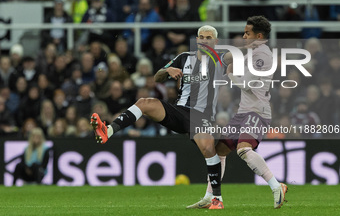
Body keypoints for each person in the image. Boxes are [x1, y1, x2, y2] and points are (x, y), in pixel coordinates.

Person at [90, 24, 260, 209]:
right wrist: (167, 71)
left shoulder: (219, 59)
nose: (204, 40)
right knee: (145, 102)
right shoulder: (184, 58)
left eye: (208, 38)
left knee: (208, 148)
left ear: (216, 42)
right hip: (179, 112)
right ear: (196, 40)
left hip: (201, 116)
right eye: (201, 37)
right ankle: (108, 130)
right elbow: (157, 77)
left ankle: (216, 199)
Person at [187, 16, 287, 209]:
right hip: (245, 112)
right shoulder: (255, 52)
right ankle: (211, 197)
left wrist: (231, 73)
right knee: (220, 151)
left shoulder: (262, 55)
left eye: (247, 33)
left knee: (243, 149)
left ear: (258, 36)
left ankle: (277, 186)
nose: (243, 36)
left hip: (257, 111)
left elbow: (247, 84)